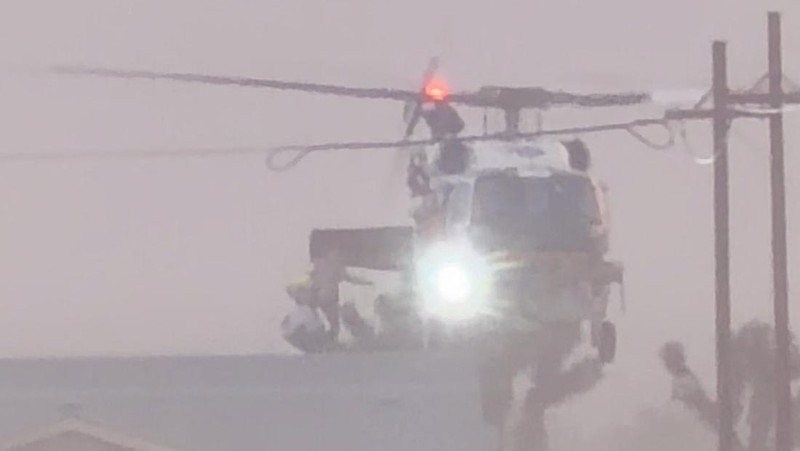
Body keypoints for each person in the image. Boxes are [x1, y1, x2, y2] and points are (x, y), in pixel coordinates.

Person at [309, 249, 373, 341]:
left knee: (335, 324)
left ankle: (331, 341)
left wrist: (365, 283)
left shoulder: (326, 265)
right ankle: (329, 342)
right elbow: (349, 278)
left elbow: (350, 278)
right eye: (337, 255)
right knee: (334, 324)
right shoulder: (325, 266)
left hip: (327, 300)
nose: (338, 257)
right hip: (325, 300)